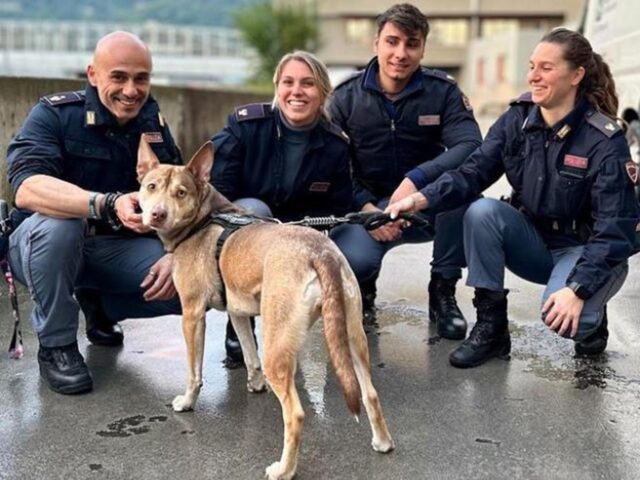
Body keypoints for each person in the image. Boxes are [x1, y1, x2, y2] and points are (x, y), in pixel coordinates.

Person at [387, 28, 640, 368]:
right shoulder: (516, 120)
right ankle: (492, 330)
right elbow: (471, 173)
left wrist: (578, 289)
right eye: (532, 66)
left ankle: (593, 317)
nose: (533, 76)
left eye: (546, 68)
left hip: (583, 248)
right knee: (482, 212)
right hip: (533, 243)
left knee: (565, 318)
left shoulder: (604, 140)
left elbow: (614, 229)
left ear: (576, 75)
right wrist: (418, 199)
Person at [6, 32, 182, 394]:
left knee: (189, 284)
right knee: (60, 228)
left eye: (141, 78)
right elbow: (26, 187)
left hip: (114, 249)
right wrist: (103, 202)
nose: (131, 90)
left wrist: (177, 253)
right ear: (92, 74)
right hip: (43, 248)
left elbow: (179, 194)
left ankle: (100, 306)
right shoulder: (54, 114)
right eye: (118, 77)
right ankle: (57, 346)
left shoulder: (152, 121)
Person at [327, 3, 482, 339]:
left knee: (467, 199)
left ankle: (442, 291)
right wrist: (370, 211)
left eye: (412, 43)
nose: (401, 53)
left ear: (423, 48)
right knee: (354, 260)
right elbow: (331, 167)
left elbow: (470, 146)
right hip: (366, 208)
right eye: (392, 41)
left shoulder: (443, 93)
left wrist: (418, 182)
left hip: (425, 204)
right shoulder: (344, 98)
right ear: (376, 43)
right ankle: (362, 288)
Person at [211, 50, 352, 367]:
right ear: (277, 87)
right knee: (254, 209)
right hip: (246, 226)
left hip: (300, 233)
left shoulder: (335, 145)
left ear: (323, 93)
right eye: (288, 82)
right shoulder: (246, 125)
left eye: (308, 84)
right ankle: (238, 322)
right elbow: (218, 191)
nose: (297, 91)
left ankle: (290, 323)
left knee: (345, 253)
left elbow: (338, 206)